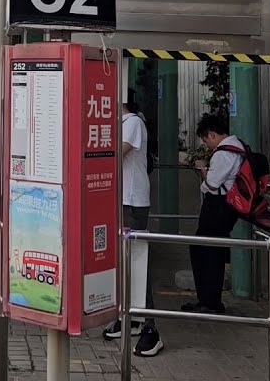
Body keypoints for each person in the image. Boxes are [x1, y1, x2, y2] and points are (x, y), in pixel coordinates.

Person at [102, 95, 162, 356]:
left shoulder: (133, 122)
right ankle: (133, 318)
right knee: (124, 264)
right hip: (121, 200)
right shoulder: (121, 123)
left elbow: (115, 153)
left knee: (137, 263)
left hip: (132, 202)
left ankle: (151, 327)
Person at [183, 112, 244, 314]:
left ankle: (209, 302)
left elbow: (211, 184)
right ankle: (209, 300)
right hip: (227, 207)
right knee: (211, 250)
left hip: (218, 206)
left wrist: (203, 173)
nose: (207, 144)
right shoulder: (239, 147)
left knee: (204, 250)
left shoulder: (223, 153)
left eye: (205, 140)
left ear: (211, 134)